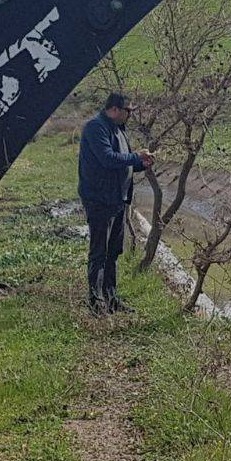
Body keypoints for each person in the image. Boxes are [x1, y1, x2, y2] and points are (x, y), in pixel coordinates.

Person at [78, 93, 154, 316]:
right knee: (99, 252)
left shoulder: (119, 129)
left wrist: (141, 164)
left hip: (118, 200)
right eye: (127, 110)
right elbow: (108, 159)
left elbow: (122, 165)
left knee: (113, 252)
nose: (130, 114)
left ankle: (111, 298)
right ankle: (96, 302)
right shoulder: (95, 127)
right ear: (114, 109)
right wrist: (135, 156)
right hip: (99, 200)